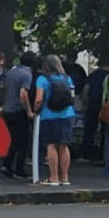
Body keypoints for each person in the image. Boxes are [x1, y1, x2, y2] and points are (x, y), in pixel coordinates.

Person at [34, 54, 76, 186]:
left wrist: (35, 110)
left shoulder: (42, 79)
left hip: (49, 115)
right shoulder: (67, 78)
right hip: (67, 114)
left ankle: (54, 177)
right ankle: (65, 177)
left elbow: (39, 98)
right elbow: (72, 96)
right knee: (64, 145)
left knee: (51, 145)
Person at [0, 51, 34, 178]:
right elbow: (23, 94)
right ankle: (19, 169)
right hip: (19, 111)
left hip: (7, 109)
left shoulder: (10, 72)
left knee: (13, 139)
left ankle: (7, 164)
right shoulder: (27, 74)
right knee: (23, 141)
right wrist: (29, 110)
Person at [80, 58, 109, 162]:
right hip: (105, 105)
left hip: (92, 104)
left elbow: (86, 88)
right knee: (104, 130)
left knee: (89, 129)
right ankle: (102, 154)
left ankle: (86, 153)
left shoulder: (94, 74)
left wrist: (85, 103)